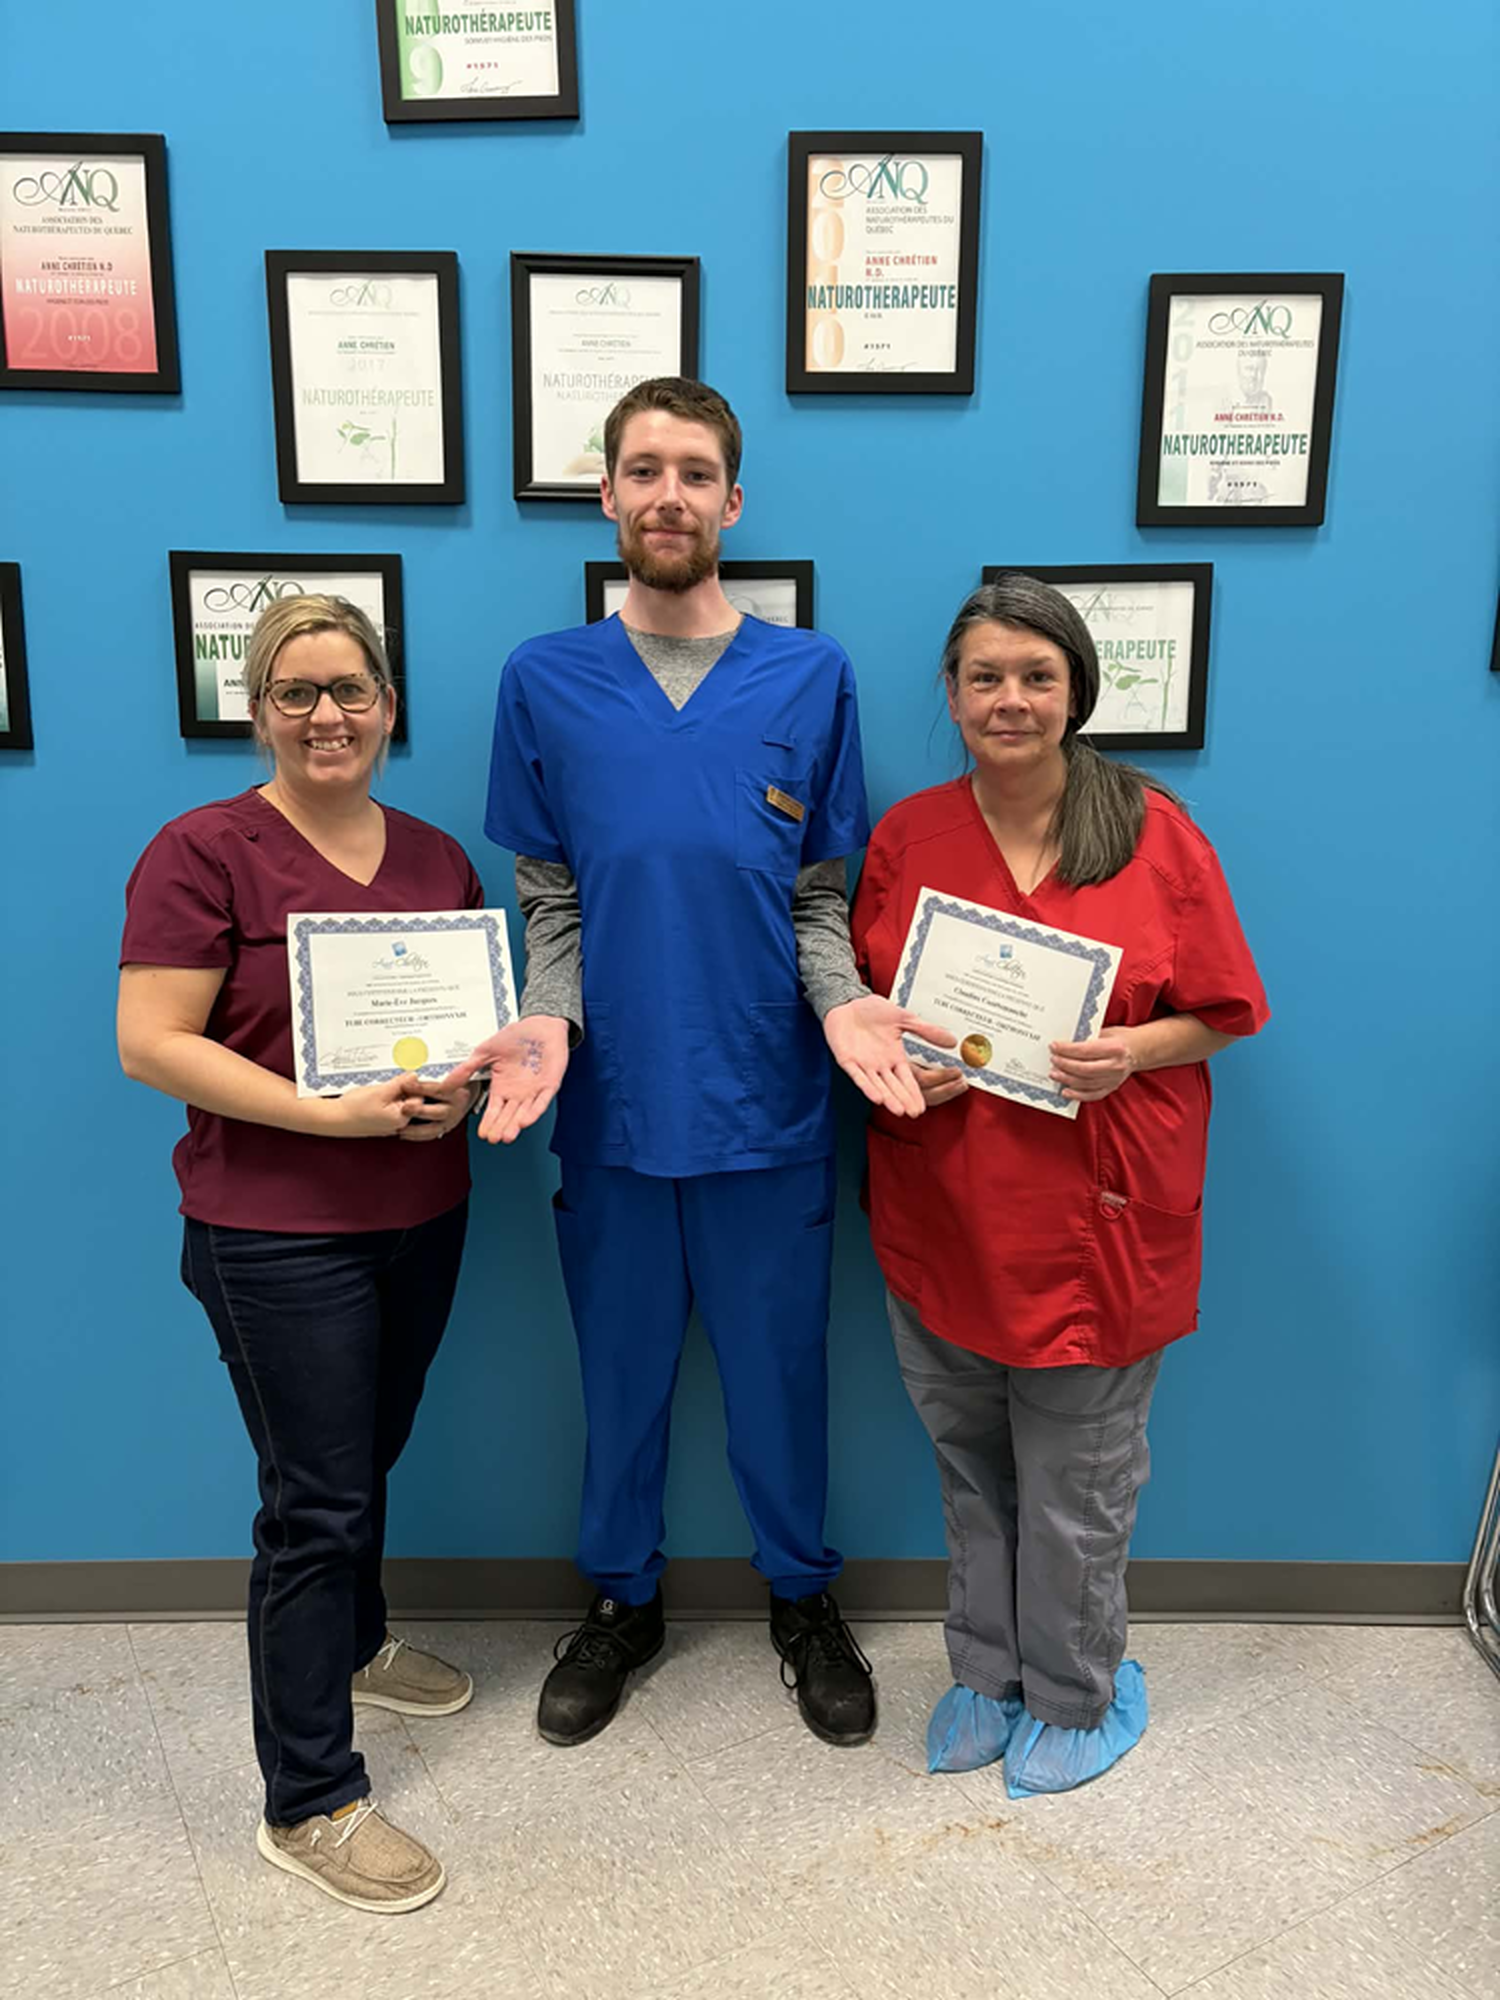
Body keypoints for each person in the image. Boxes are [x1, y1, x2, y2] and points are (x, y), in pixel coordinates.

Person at [449, 377, 946, 1749]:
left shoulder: (810, 677)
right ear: (607, 494)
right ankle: (622, 1600)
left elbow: (818, 901)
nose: (669, 494)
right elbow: (550, 899)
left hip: (766, 1104)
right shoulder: (544, 679)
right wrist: (549, 1018)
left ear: (734, 501)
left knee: (783, 1376)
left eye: (694, 472)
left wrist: (843, 1005)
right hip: (610, 1107)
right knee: (619, 1382)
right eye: (644, 469)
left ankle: (802, 1597)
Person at [850, 574, 1268, 1797]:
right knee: (970, 1465)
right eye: (985, 676)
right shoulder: (910, 837)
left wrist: (1129, 1049)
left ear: (1077, 691)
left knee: (1078, 1484)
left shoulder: (1152, 830)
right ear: (951, 693)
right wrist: (909, 1064)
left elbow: (1223, 1011)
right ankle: (986, 1672)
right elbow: (869, 1007)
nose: (1011, 699)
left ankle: (1080, 1690)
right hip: (945, 1202)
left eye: (1038, 676)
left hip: (1099, 1215)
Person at [118, 596, 484, 1912]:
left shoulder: (438, 857)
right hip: (273, 1233)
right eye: (296, 691)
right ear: (258, 710)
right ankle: (310, 1798)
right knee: (313, 1502)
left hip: (422, 1212)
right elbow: (152, 1041)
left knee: (364, 1458)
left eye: (350, 689)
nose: (327, 714)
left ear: (388, 705)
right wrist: (325, 1116)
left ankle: (357, 1643)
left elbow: (471, 1028)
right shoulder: (202, 851)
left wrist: (462, 1092)